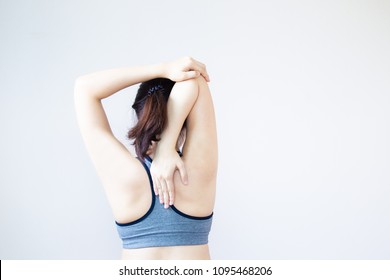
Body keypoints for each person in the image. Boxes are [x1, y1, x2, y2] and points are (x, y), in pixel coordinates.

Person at [74, 57, 218, 260]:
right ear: (185, 117)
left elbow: (84, 88)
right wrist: (167, 146)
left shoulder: (125, 175)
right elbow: (196, 79)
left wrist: (162, 69)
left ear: (140, 115)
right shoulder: (196, 172)